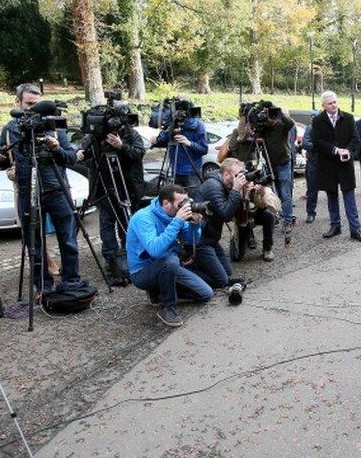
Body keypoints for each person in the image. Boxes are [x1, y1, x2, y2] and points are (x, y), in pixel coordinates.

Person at [0, 83, 81, 297]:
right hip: (28, 192)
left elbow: (71, 157)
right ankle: (43, 287)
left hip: (57, 189)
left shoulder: (54, 126)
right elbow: (7, 160)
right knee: (34, 244)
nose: (33, 110)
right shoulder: (11, 129)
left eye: (37, 105)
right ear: (18, 103)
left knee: (68, 239)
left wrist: (56, 148)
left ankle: (72, 281)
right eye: (29, 104)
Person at [126, 184, 212, 327]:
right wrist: (177, 222)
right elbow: (155, 250)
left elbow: (192, 240)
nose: (184, 207)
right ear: (166, 203)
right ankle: (168, 308)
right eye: (180, 204)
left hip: (168, 266)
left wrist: (194, 224)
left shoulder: (174, 214)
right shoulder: (143, 218)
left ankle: (158, 292)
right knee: (170, 260)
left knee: (206, 294)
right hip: (142, 272)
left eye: (186, 202)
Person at [76, 118, 147, 285]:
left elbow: (139, 153)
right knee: (107, 222)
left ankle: (128, 254)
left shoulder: (130, 133)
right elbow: (86, 158)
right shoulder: (94, 136)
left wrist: (121, 146)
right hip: (102, 187)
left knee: (126, 221)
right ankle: (111, 258)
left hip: (126, 186)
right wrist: (81, 153)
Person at [310, 91, 361, 243]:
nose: (334, 105)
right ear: (323, 105)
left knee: (350, 198)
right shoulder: (317, 120)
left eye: (335, 102)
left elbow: (355, 139)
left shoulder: (348, 118)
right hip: (328, 165)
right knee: (332, 197)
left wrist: (348, 151)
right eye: (330, 103)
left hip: (345, 165)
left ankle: (355, 229)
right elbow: (317, 142)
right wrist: (336, 150)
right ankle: (335, 226)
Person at [221, 118, 278, 260]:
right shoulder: (232, 181)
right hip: (241, 215)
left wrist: (261, 192)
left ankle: (267, 249)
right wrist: (240, 190)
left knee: (269, 216)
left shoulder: (257, 177)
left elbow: (275, 206)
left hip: (256, 212)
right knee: (236, 257)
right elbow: (228, 210)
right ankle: (245, 239)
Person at [194, 157, 247, 285]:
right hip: (201, 242)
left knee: (227, 272)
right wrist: (235, 190)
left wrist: (243, 193)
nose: (238, 179)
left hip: (212, 239)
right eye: (236, 175)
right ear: (226, 174)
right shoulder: (213, 186)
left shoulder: (224, 184)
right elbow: (226, 215)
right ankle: (185, 273)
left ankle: (202, 266)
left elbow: (237, 215)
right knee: (222, 280)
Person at [153, 104, 208, 194]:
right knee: (176, 201)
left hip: (192, 172)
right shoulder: (172, 124)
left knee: (194, 201)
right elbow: (162, 139)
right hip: (175, 170)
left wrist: (189, 143)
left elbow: (204, 149)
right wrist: (162, 134)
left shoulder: (198, 126)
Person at [301, 110, 319, 223]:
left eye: (315, 118)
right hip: (313, 162)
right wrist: (318, 145)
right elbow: (305, 144)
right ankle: (310, 212)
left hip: (326, 162)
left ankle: (334, 214)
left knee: (331, 190)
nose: (313, 120)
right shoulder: (309, 128)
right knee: (312, 190)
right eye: (311, 118)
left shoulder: (326, 128)